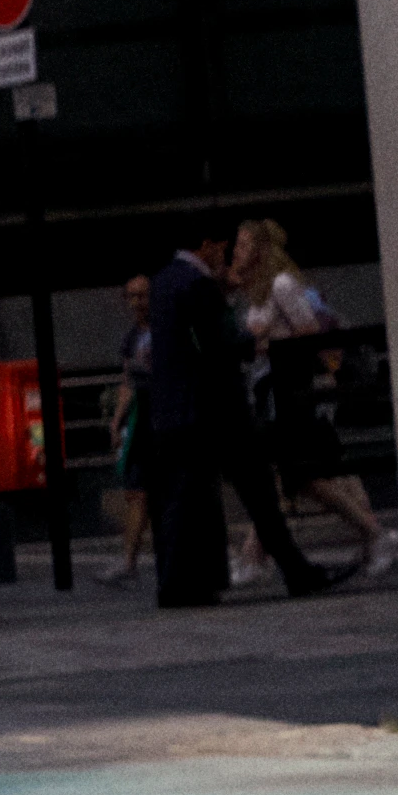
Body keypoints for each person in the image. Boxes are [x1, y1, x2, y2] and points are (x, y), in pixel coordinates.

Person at [140, 234, 340, 607]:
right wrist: (252, 339)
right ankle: (297, 572)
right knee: (258, 491)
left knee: (185, 500)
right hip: (216, 411)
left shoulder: (165, 279)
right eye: (222, 248)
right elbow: (220, 343)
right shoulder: (196, 283)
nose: (225, 255)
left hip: (177, 413)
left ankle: (180, 583)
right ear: (206, 245)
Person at [236, 221, 398, 580]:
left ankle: (375, 534)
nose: (237, 252)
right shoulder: (259, 292)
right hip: (272, 393)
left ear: (261, 251)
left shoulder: (281, 284)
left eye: (244, 245)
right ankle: (254, 556)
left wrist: (265, 343)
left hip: (291, 392)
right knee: (293, 476)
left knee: (296, 475)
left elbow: (307, 332)